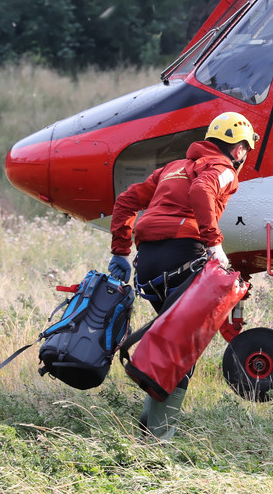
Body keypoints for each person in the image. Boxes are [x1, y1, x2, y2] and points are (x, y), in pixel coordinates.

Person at [108, 111, 259, 439]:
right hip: (183, 258)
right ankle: (157, 441)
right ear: (236, 149)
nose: (244, 156)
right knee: (179, 352)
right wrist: (214, 243)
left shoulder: (172, 168)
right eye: (245, 149)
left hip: (148, 265)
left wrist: (120, 251)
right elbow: (201, 192)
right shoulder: (222, 170)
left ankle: (148, 431)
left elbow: (125, 201)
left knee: (170, 345)